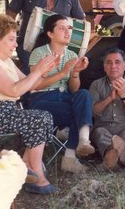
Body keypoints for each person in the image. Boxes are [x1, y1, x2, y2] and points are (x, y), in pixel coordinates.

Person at [0, 14, 57, 194]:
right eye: (11, 39)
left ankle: (25, 166)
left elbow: (33, 85)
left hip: (1, 114)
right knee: (37, 119)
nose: (16, 44)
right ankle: (36, 175)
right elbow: (14, 91)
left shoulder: (5, 61)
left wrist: (52, 72)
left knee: (45, 116)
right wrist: (37, 71)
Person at [28, 14, 94, 174]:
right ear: (50, 34)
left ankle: (84, 140)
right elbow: (35, 85)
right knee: (77, 112)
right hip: (41, 99)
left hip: (63, 98)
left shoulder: (72, 55)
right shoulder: (39, 53)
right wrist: (63, 71)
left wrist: (75, 72)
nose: (68, 32)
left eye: (69, 28)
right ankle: (70, 157)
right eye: (62, 28)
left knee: (84, 94)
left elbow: (74, 89)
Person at [89, 48, 125, 171]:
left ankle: (110, 160)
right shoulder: (96, 85)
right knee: (100, 134)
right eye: (109, 62)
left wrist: (123, 94)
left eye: (117, 62)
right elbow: (92, 112)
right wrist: (109, 98)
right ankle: (118, 159)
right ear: (104, 67)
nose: (113, 66)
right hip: (103, 125)